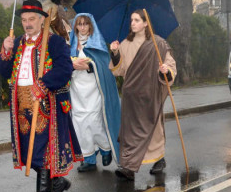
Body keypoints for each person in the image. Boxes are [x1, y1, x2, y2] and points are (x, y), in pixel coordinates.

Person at [0, 0, 83, 192]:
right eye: (24, 20)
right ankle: (56, 183)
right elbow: (4, 72)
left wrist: (43, 85)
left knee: (43, 154)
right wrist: (5, 51)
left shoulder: (54, 42)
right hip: (22, 105)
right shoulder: (16, 43)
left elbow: (65, 69)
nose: (27, 24)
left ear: (42, 19)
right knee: (31, 155)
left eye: (32, 19)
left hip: (46, 104)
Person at [110, 10, 176, 181]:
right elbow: (119, 71)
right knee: (130, 132)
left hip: (151, 94)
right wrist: (115, 53)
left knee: (154, 131)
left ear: (146, 23)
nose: (133, 23)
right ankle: (129, 167)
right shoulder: (125, 43)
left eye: (137, 20)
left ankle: (159, 159)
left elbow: (171, 66)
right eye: (131, 20)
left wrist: (165, 71)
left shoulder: (158, 43)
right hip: (131, 96)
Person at [68, 13, 121, 172]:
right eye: (79, 24)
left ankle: (105, 149)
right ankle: (89, 159)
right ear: (75, 26)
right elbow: (63, 65)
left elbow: (105, 67)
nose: (82, 27)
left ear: (91, 26)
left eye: (85, 24)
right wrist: (71, 65)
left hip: (95, 90)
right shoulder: (70, 45)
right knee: (80, 124)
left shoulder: (98, 45)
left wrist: (89, 66)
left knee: (94, 121)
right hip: (77, 91)